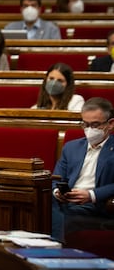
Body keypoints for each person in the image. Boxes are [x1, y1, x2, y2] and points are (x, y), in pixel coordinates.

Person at [51, 97, 114, 242]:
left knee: (62, 216)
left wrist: (91, 195)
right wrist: (58, 192)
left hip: (94, 205)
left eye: (95, 125)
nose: (89, 130)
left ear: (110, 124)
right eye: (85, 124)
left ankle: (55, 249)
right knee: (43, 203)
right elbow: (56, 178)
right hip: (66, 202)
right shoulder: (71, 147)